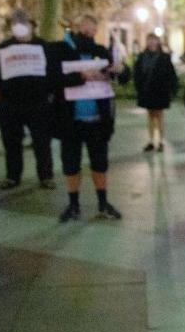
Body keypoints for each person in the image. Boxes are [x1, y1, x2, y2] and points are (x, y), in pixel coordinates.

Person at [48, 14, 130, 222]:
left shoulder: (100, 51)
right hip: (70, 120)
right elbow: (52, 80)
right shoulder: (59, 50)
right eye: (86, 29)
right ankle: (73, 204)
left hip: (97, 120)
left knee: (100, 163)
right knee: (71, 163)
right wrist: (81, 76)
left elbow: (121, 76)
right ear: (74, 26)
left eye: (93, 29)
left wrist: (120, 69)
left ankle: (103, 203)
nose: (90, 33)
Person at [0, 10, 54, 189]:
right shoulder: (3, 47)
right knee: (11, 142)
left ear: (32, 26)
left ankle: (46, 176)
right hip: (10, 103)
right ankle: (13, 176)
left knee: (42, 142)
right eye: (16, 24)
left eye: (24, 24)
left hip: (38, 102)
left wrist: (50, 92)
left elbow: (52, 71)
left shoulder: (43, 46)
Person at [134, 32, 178, 152]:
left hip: (160, 91)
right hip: (147, 91)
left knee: (159, 115)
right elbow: (137, 73)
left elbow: (171, 74)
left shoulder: (164, 57)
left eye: (154, 40)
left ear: (158, 41)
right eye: (149, 40)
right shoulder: (142, 56)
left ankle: (161, 141)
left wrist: (172, 90)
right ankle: (151, 140)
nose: (152, 42)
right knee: (149, 115)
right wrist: (139, 88)